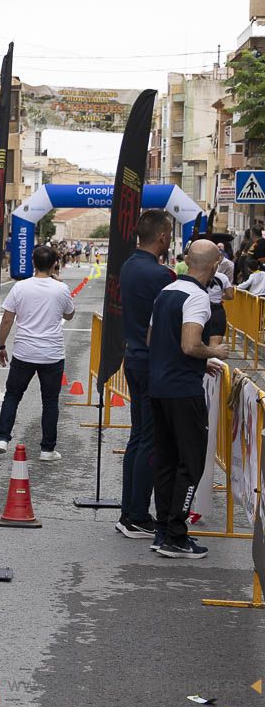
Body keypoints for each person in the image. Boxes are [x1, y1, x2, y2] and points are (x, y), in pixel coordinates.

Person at [147, 239, 229, 559]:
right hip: (183, 391)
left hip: (160, 387)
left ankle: (163, 531)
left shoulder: (166, 292)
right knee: (191, 463)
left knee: (166, 461)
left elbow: (155, 338)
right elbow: (189, 344)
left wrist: (198, 360)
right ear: (214, 266)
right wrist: (212, 352)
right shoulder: (198, 297)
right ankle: (177, 535)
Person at [115, 211, 176, 539]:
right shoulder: (161, 275)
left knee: (138, 437)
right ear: (164, 236)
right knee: (149, 439)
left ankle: (130, 511)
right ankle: (136, 514)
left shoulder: (129, 265)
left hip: (133, 357)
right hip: (154, 362)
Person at [0, 245, 75, 461]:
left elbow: (7, 319)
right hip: (52, 353)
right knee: (50, 400)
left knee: (13, 395)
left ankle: (2, 438)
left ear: (33, 263)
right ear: (55, 263)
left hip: (25, 351)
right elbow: (70, 315)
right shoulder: (61, 288)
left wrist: (0, 346)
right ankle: (47, 449)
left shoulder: (20, 287)